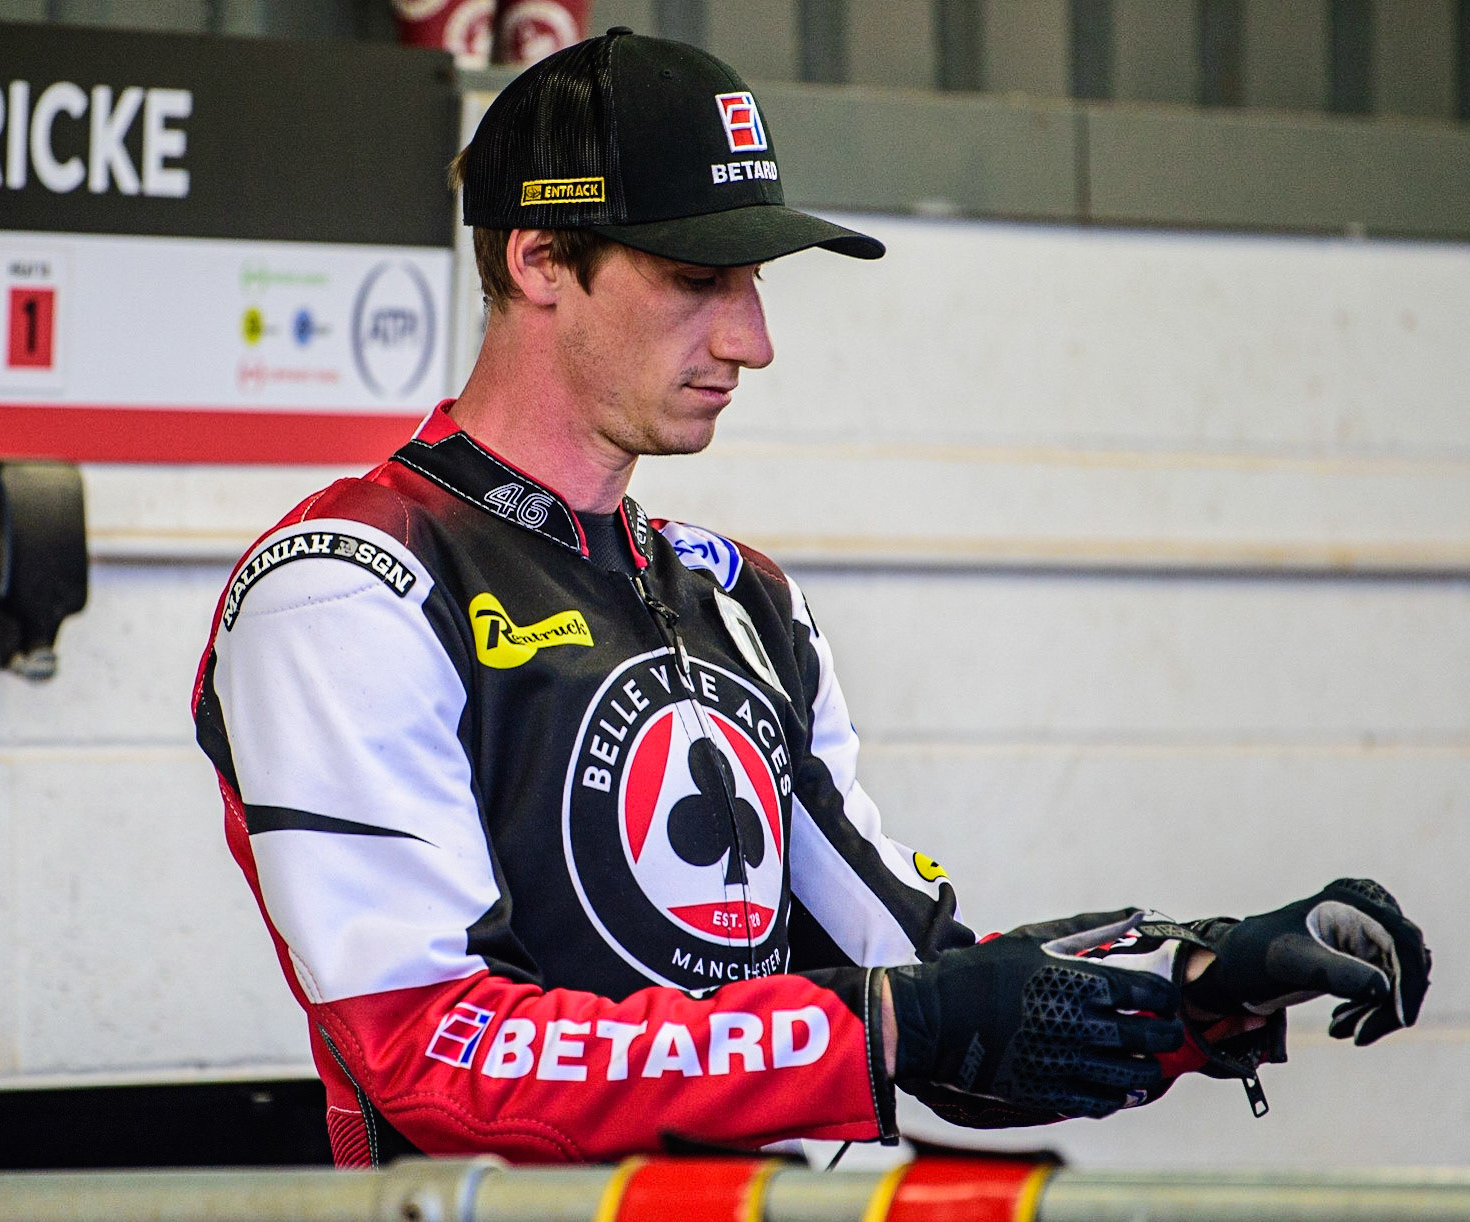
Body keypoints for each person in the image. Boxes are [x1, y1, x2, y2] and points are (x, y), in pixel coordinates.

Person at [193, 29, 1430, 1167]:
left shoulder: (745, 601)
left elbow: (931, 987)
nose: (752, 338)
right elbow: (430, 1049)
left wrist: (1201, 984)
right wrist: (881, 1030)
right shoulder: (348, 586)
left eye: (759, 281)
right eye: (697, 275)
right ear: (537, 258)